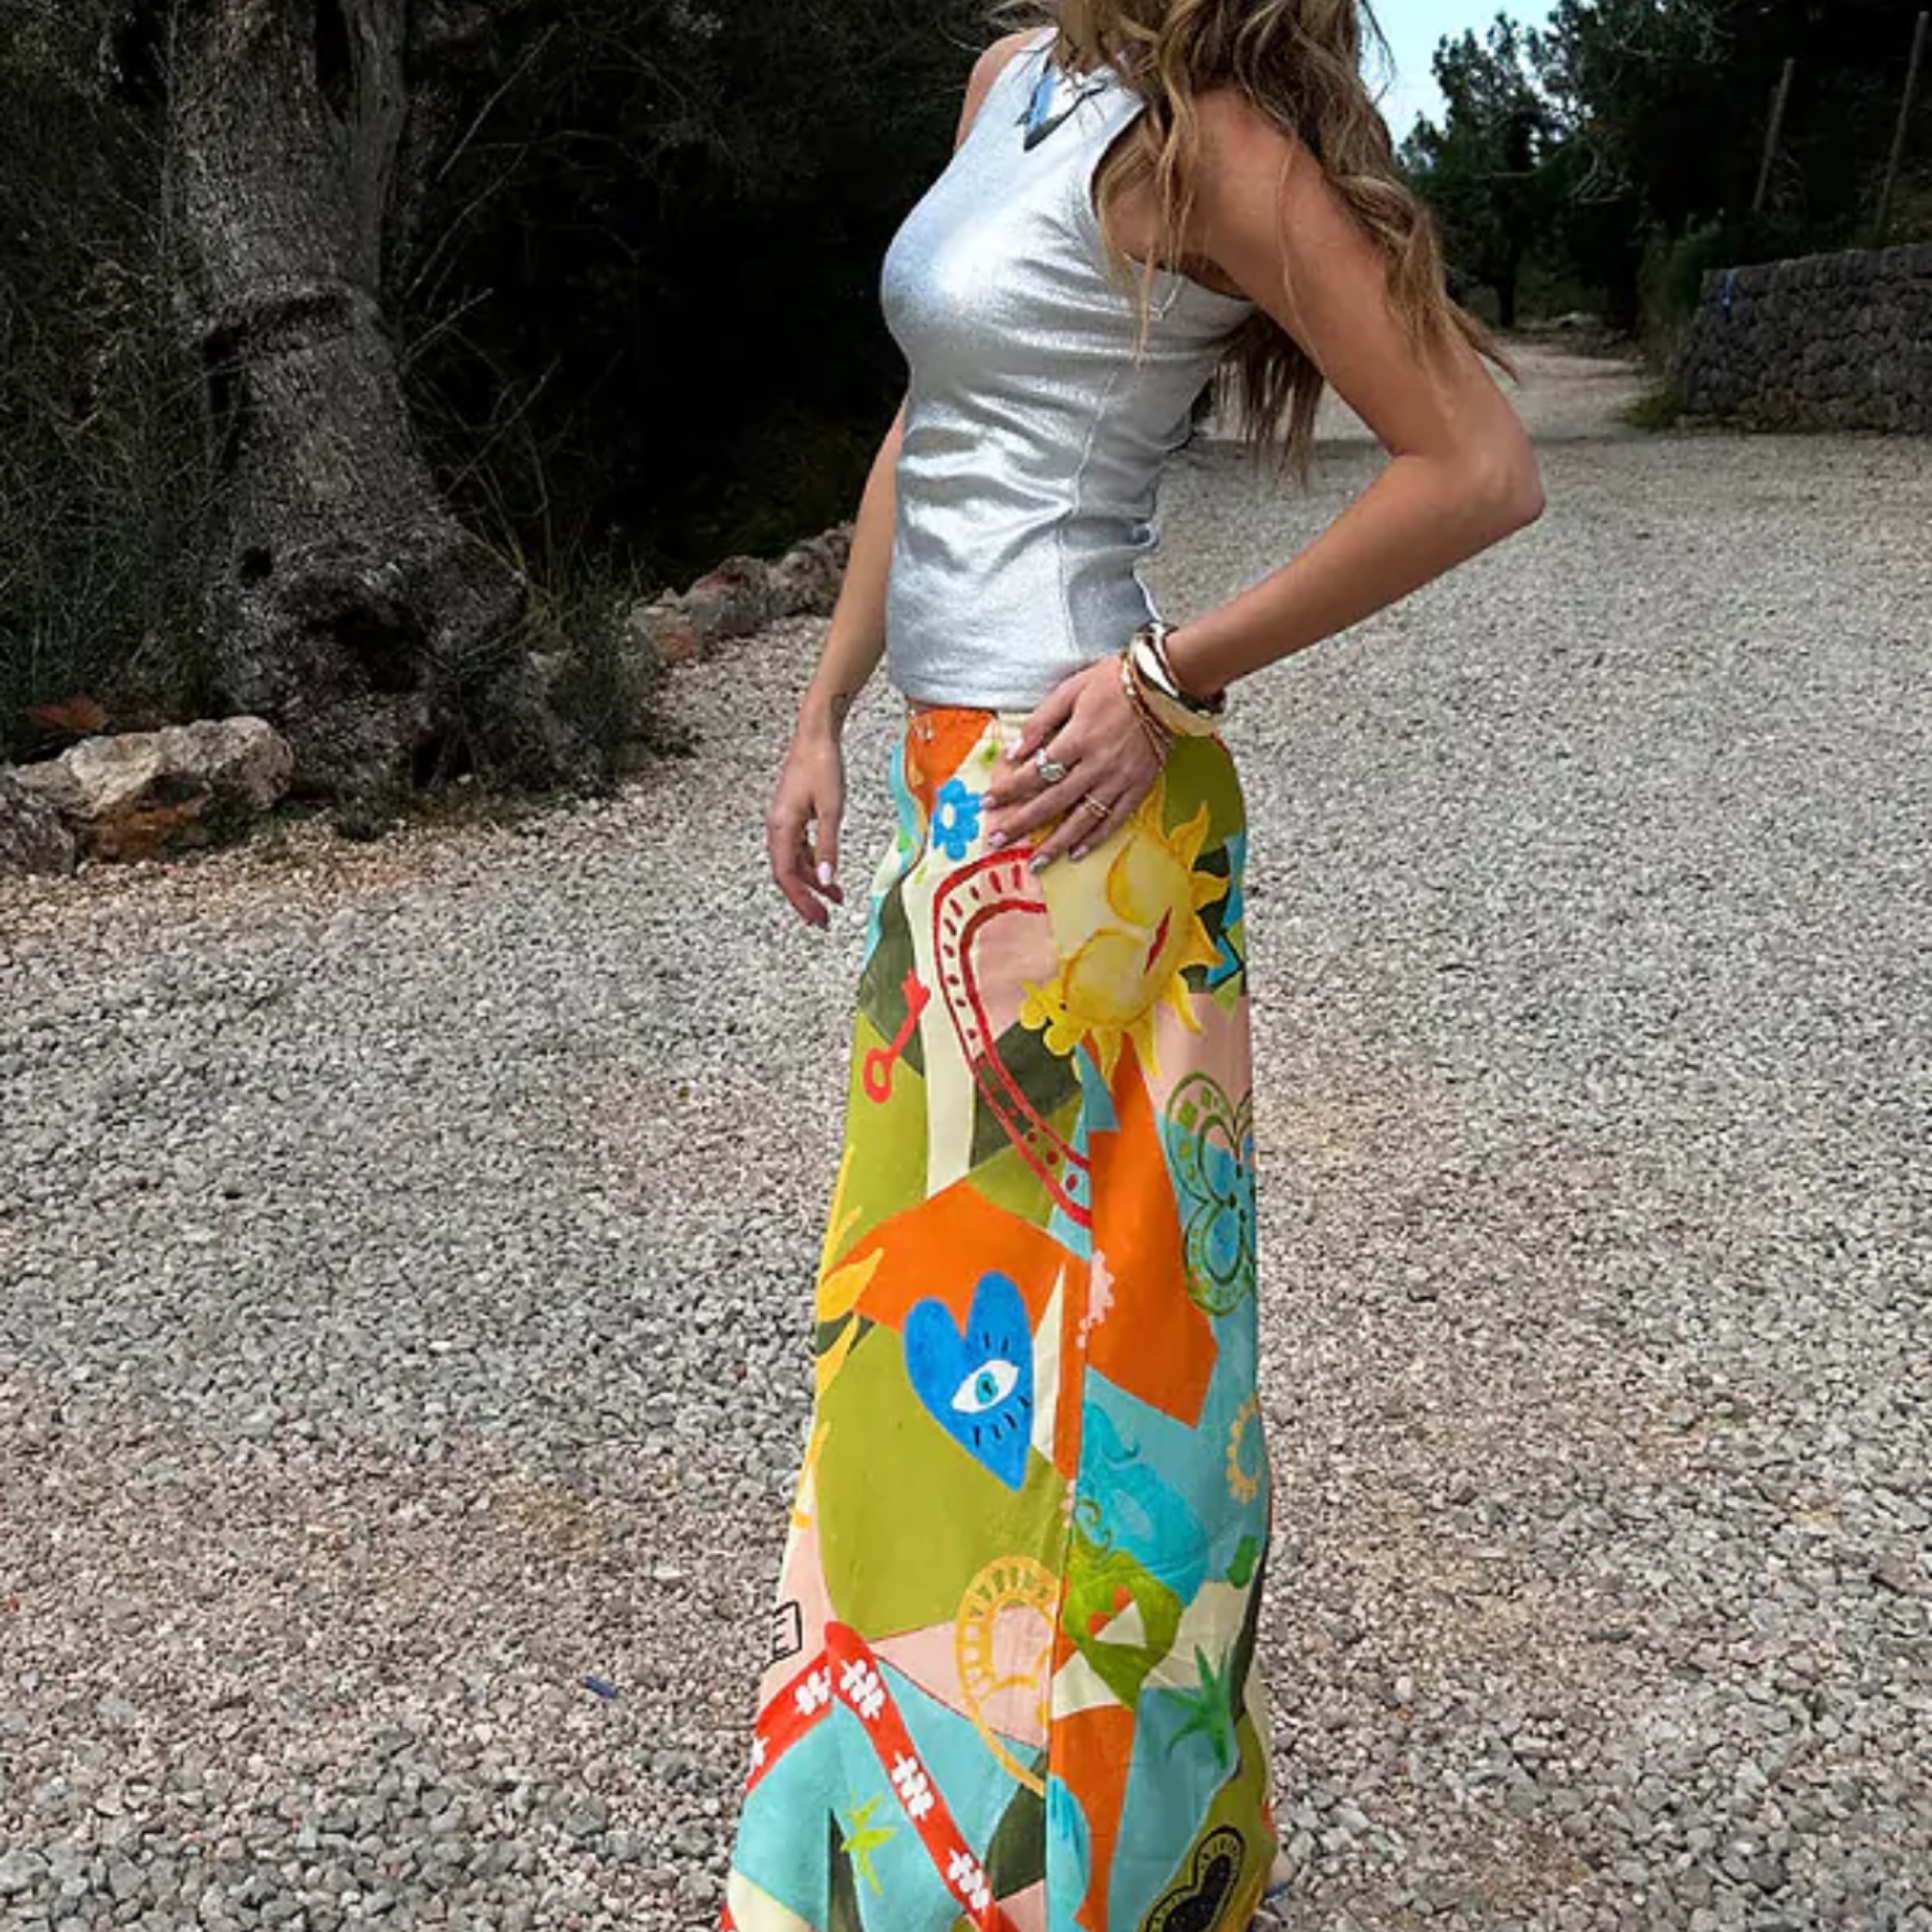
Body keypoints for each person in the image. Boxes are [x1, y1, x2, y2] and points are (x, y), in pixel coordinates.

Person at [726, 3, 1543, 1927]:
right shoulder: (1013, 74)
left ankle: (1054, 1871)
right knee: (923, 1351)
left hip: (1075, 814)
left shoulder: (1217, 146)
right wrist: (820, 708)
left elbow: (1479, 464)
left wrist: (1174, 669)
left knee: (1076, 1369)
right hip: (950, 788)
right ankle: (922, 1848)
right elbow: (929, 424)